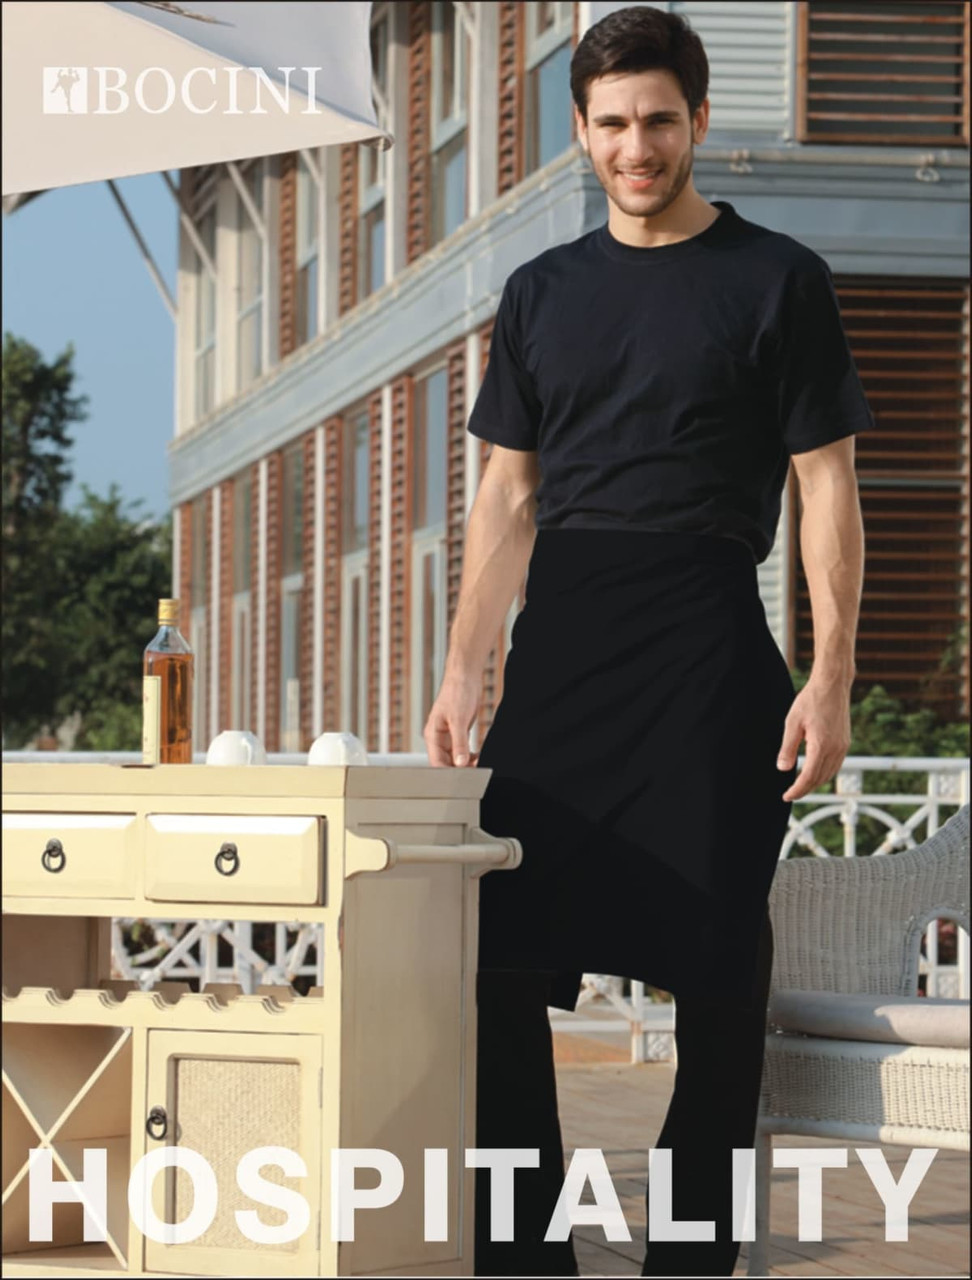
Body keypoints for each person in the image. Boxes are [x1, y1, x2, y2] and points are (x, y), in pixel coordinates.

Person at [423, 6, 873, 1276]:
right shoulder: (540, 292)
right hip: (563, 656)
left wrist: (831, 674)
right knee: (498, 956)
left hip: (710, 651)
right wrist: (465, 664)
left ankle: (688, 1255)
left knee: (719, 974)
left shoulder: (777, 279)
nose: (638, 146)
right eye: (613, 123)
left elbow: (826, 489)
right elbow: (508, 495)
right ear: (580, 131)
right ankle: (526, 1254)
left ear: (699, 120)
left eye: (660, 120)